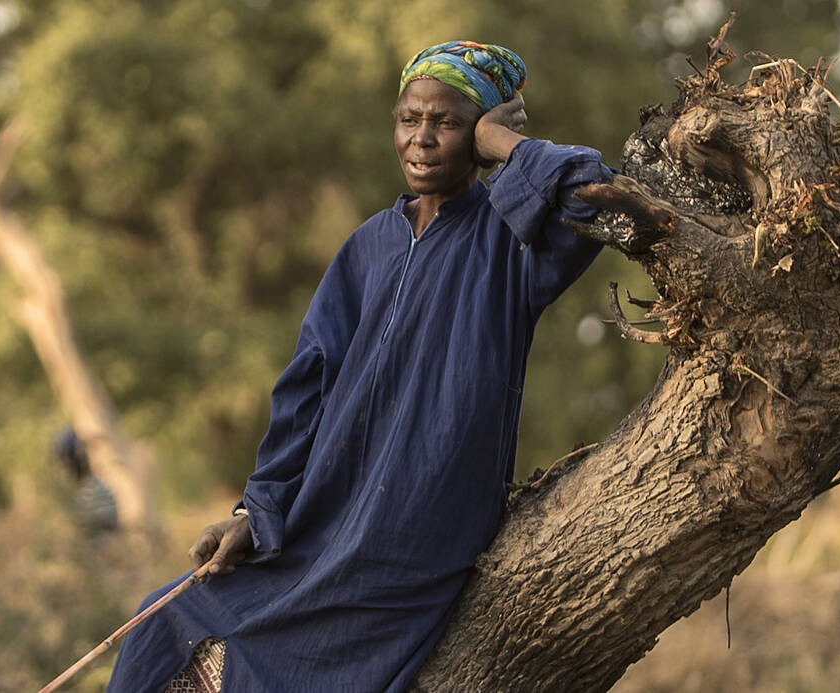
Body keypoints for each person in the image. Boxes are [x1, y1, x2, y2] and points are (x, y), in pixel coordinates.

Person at [107, 41, 613, 692]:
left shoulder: (510, 240)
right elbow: (303, 392)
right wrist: (253, 511)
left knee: (297, 664)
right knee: (164, 619)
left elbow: (588, 192)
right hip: (321, 523)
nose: (423, 139)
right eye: (410, 119)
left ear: (482, 134)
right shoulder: (366, 246)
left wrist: (503, 140)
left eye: (449, 122)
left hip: (414, 535)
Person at [53, 428, 121, 536]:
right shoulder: (79, 492)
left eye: (68, 461)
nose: (65, 468)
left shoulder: (96, 492)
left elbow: (106, 541)